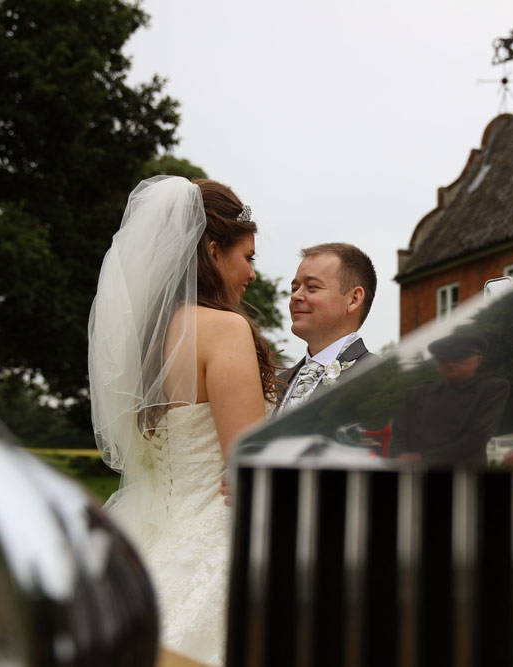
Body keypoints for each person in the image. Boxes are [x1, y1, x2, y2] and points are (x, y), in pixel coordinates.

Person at [88, 175, 278, 665]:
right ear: (214, 252)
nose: (252, 273)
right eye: (248, 257)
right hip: (218, 533)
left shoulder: (145, 341)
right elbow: (248, 461)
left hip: (152, 529)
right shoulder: (225, 329)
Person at [275, 243, 378, 416]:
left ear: (353, 299)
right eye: (294, 288)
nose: (295, 296)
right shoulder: (278, 384)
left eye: (312, 287)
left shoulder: (378, 379)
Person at [391, 332, 510, 465]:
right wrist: (400, 454)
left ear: (478, 360)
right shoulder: (417, 393)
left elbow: (477, 437)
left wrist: (421, 457)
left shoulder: (491, 388)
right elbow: (399, 431)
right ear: (436, 363)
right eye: (443, 359)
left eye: (459, 357)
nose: (450, 363)